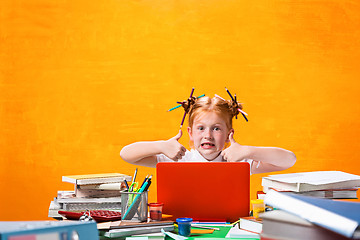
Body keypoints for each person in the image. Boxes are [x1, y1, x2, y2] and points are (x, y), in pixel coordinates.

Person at [120, 94, 296, 174]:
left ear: (229, 135)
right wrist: (161, 146)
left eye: (217, 128)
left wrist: (249, 151)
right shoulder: (178, 160)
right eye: (201, 128)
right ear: (190, 133)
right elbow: (126, 154)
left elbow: (289, 160)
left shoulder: (239, 163)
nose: (208, 136)